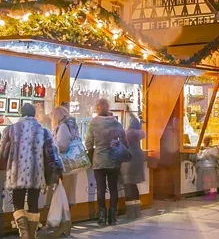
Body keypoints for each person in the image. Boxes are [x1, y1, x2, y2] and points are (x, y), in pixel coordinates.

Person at [0, 104, 46, 239]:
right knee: (33, 203)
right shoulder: (42, 130)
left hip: (17, 173)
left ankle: (24, 234)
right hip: (36, 173)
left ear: (21, 114)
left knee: (18, 203)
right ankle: (32, 235)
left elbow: (3, 152)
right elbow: (50, 152)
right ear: (34, 114)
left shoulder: (11, 130)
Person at [85, 99, 127, 226]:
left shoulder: (93, 123)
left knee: (101, 189)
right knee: (113, 188)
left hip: (99, 160)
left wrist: (92, 153)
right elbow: (124, 141)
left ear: (97, 108)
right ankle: (112, 216)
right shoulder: (115, 122)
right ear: (108, 108)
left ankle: (102, 216)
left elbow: (88, 143)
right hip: (114, 160)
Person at [47, 106, 80, 237]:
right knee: (67, 195)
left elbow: (62, 145)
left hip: (65, 166)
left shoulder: (63, 127)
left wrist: (52, 143)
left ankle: (63, 225)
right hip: (72, 165)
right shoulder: (73, 125)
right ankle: (66, 225)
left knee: (62, 196)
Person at [121, 115, 146, 219]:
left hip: (129, 159)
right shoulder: (139, 134)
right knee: (134, 186)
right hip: (138, 158)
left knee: (128, 186)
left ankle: (131, 212)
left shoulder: (128, 133)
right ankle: (137, 211)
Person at [195, 136, 219, 200]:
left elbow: (200, 157)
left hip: (206, 168)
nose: (205, 142)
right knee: (213, 181)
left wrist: (198, 152)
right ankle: (213, 194)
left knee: (208, 182)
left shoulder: (207, 150)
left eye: (205, 140)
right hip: (212, 167)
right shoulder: (215, 149)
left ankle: (210, 195)